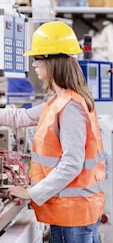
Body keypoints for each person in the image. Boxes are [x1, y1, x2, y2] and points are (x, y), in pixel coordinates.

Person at [4, 21, 105, 243]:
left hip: (75, 215)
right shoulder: (59, 101)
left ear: (53, 62)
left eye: (37, 60)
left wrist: (31, 193)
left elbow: (72, 163)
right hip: (66, 211)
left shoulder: (70, 107)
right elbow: (20, 118)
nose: (34, 66)